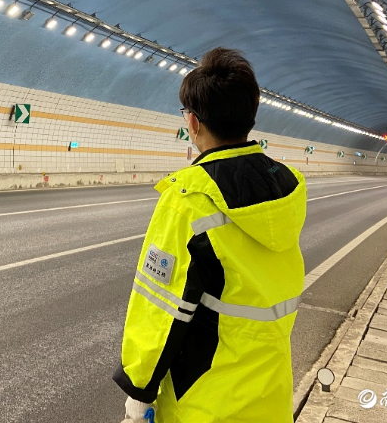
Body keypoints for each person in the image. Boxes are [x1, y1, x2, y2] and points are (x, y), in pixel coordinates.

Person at [114, 48, 307, 423]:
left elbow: (162, 306)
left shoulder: (189, 197)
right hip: (270, 392)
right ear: (249, 118)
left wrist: (139, 393)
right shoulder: (285, 185)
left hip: (206, 402)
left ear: (194, 122)